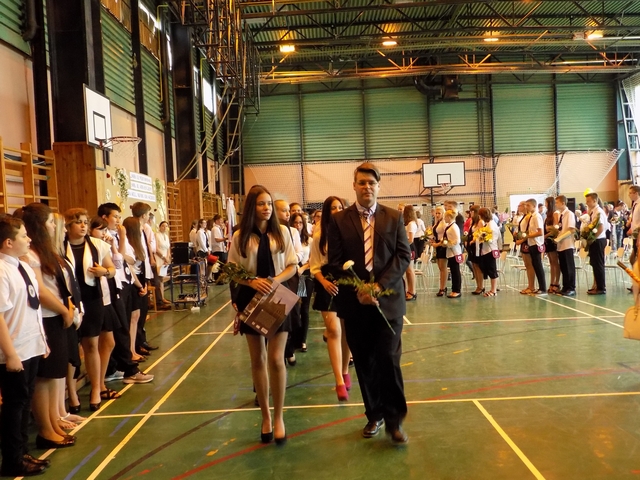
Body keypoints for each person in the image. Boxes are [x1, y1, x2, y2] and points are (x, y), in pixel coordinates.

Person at [327, 162, 411, 444]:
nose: (367, 187)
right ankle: (374, 414)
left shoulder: (393, 217)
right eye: (361, 182)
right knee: (364, 362)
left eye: (371, 183)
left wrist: (378, 286)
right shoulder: (339, 220)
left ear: (378, 186)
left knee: (389, 359)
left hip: (389, 303)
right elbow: (335, 262)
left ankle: (394, 421)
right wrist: (359, 289)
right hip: (355, 304)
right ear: (354, 185)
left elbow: (403, 256)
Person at [227, 185, 297, 445]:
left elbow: (293, 265)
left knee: (277, 359)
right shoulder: (240, 237)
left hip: (278, 296)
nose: (267, 208)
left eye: (269, 203)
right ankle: (266, 416)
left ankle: (279, 417)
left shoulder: (283, 233)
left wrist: (274, 281)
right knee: (258, 359)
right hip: (251, 298)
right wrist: (252, 282)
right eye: (261, 204)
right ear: (251, 207)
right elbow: (232, 271)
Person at [15, 204, 76, 449]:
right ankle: (45, 429)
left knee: (54, 375)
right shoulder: (31, 256)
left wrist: (68, 306)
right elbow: (40, 291)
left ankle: (53, 422)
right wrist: (63, 309)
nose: (53, 226)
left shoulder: (45, 252)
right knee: (45, 376)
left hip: (56, 316)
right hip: (46, 317)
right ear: (40, 226)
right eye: (50, 222)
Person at [0, 216, 50, 477]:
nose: (29, 239)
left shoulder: (23, 266)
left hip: (31, 345)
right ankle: (12, 460)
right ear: (8, 242)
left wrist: (42, 339)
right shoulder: (1, 270)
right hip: (14, 349)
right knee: (14, 406)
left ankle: (22, 452)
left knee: (24, 402)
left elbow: (33, 307)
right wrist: (10, 354)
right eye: (23, 236)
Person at [64, 208, 116, 411]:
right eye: (79, 222)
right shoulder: (59, 246)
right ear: (68, 225)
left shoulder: (97, 245)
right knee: (71, 348)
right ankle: (72, 393)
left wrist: (105, 271)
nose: (83, 226)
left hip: (92, 299)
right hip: (69, 301)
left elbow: (112, 269)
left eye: (85, 222)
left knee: (92, 345)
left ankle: (96, 388)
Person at [98, 203, 154, 386]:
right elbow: (119, 261)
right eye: (115, 216)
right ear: (105, 218)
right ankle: (128, 369)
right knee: (120, 329)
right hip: (114, 286)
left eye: (119, 217)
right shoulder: (105, 238)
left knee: (122, 326)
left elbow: (129, 259)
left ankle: (116, 367)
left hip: (124, 282)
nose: (118, 220)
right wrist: (121, 240)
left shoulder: (114, 236)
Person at [309, 196, 351, 401]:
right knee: (334, 330)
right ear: (327, 211)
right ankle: (339, 381)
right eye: (333, 208)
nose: (337, 210)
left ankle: (345, 370)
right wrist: (324, 282)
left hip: (346, 281)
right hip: (326, 282)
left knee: (347, 329)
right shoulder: (319, 236)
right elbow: (314, 266)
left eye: (340, 207)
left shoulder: (349, 232)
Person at [274, 200, 303, 367]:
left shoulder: (292, 231)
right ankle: (279, 355)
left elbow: (299, 253)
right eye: (284, 210)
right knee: (276, 317)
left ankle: (289, 349)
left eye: (288, 211)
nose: (288, 214)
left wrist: (290, 262)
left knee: (293, 315)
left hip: (290, 276)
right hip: (274, 278)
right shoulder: (268, 232)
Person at [131, 203, 158, 354]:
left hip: (144, 273)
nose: (149, 217)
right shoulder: (135, 229)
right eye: (148, 214)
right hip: (137, 273)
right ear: (143, 215)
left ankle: (142, 341)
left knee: (143, 311)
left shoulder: (143, 229)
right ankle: (137, 344)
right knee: (137, 313)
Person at [122, 217, 150, 363]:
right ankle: (130, 350)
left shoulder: (135, 244)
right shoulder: (126, 243)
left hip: (139, 280)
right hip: (132, 282)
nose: (142, 228)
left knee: (137, 316)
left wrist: (144, 283)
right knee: (132, 318)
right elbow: (130, 268)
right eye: (139, 226)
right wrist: (139, 285)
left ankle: (133, 348)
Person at [290, 212, 313, 353]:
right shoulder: (288, 237)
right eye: (295, 222)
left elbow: (312, 259)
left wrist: (302, 268)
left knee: (304, 308)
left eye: (300, 223)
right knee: (294, 308)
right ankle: (293, 339)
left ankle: (303, 340)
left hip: (305, 275)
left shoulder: (309, 240)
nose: (298, 225)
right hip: (291, 275)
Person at [586, 192, 608, 295]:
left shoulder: (598, 211)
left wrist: (592, 238)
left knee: (598, 264)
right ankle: (597, 285)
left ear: (595, 201)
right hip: (596, 240)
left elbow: (601, 227)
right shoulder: (593, 211)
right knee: (594, 264)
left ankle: (601, 288)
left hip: (598, 239)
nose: (587, 203)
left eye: (588, 201)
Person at [523, 199, 546, 295]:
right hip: (531, 243)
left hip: (537, 243)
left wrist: (528, 236)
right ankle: (540, 287)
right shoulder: (532, 217)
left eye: (528, 205)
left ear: (534, 206)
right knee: (535, 265)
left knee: (538, 265)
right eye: (526, 205)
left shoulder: (537, 216)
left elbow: (540, 232)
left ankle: (543, 288)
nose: (526, 207)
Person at [555, 196, 577, 297]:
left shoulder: (569, 214)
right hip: (561, 244)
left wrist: (560, 238)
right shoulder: (561, 215)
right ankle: (565, 286)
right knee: (563, 267)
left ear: (563, 203)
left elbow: (571, 229)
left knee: (569, 267)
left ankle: (571, 288)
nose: (556, 205)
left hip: (567, 244)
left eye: (557, 203)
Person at [476, 207, 501, 297]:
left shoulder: (491, 225)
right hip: (486, 250)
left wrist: (481, 238)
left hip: (490, 249)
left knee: (492, 270)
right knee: (488, 269)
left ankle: (493, 290)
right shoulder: (488, 224)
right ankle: (492, 289)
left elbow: (491, 238)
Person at [442, 210, 463, 299]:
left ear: (449, 217)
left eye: (445, 217)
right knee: (453, 271)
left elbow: (457, 240)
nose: (444, 218)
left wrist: (448, 244)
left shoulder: (454, 227)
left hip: (455, 251)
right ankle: (454, 289)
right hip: (450, 252)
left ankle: (457, 290)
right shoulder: (449, 226)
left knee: (456, 271)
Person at [543, 196, 561, 294]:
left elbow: (556, 228)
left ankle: (556, 283)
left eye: (546, 203)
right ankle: (552, 282)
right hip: (547, 240)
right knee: (551, 262)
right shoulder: (547, 215)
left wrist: (546, 236)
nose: (545, 204)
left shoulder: (555, 213)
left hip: (552, 239)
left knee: (555, 262)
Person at [466, 205, 484, 295]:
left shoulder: (480, 222)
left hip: (477, 246)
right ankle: (478, 285)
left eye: (472, 211)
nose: (470, 213)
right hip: (472, 246)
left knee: (478, 266)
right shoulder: (472, 222)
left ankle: (481, 286)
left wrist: (473, 240)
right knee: (474, 266)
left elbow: (482, 235)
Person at [431, 206, 448, 297]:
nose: (437, 215)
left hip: (442, 246)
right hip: (437, 245)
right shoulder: (437, 222)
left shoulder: (444, 222)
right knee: (440, 268)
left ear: (443, 213)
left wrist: (438, 244)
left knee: (443, 268)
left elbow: (445, 236)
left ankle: (443, 288)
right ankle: (442, 287)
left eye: (439, 213)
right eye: (436, 213)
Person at [403, 205, 418, 301]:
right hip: (408, 247)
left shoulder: (411, 224)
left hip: (409, 247)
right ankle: (410, 290)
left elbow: (411, 239)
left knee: (410, 270)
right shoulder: (409, 223)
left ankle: (412, 291)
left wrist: (402, 245)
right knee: (408, 271)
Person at [154, 220, 172, 304]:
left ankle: (163, 297)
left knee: (162, 278)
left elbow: (168, 248)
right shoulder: (156, 235)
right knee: (159, 278)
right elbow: (156, 248)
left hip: (165, 259)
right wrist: (163, 257)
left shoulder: (166, 236)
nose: (164, 228)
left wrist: (167, 258)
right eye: (163, 226)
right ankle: (160, 299)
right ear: (160, 227)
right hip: (159, 258)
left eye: (166, 226)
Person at [627, 186, 640, 265]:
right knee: (632, 259)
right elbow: (635, 219)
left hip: (638, 234)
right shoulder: (635, 204)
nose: (629, 195)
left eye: (630, 193)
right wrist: (631, 227)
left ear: (636, 193)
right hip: (635, 233)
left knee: (634, 258)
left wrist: (639, 236)